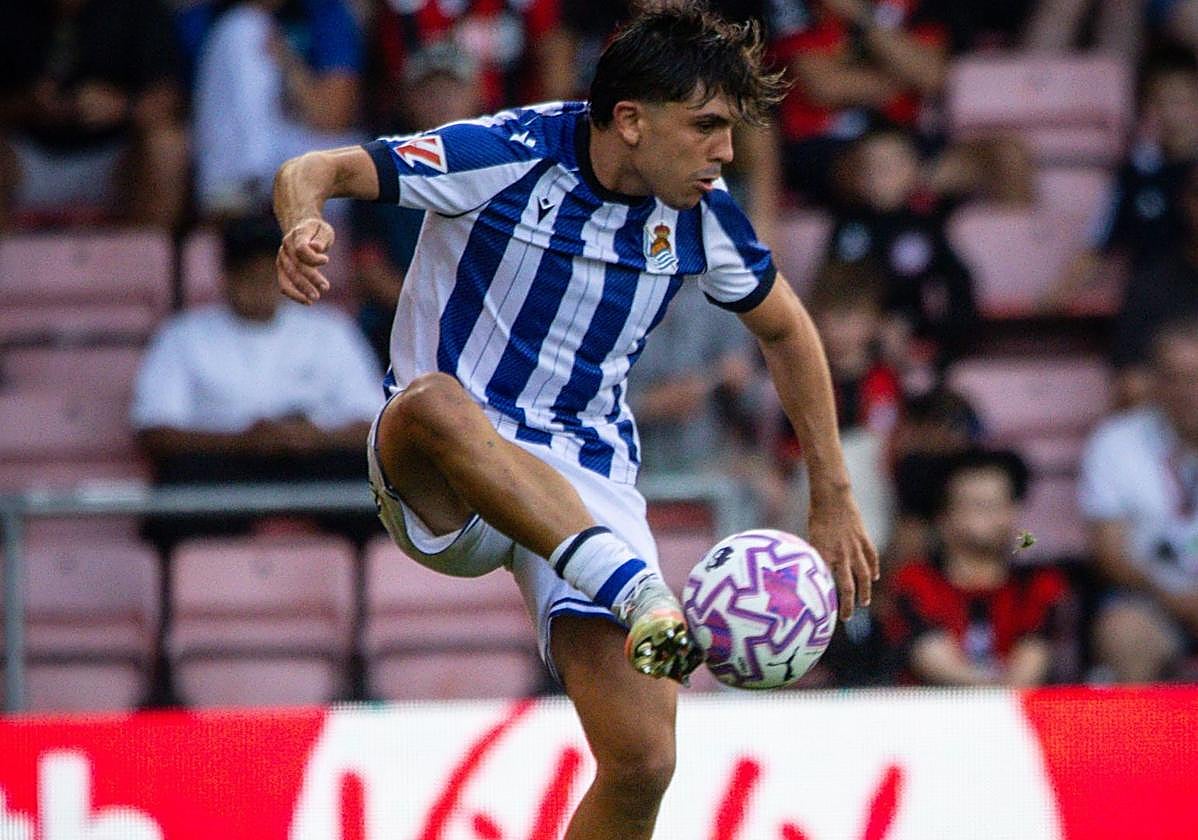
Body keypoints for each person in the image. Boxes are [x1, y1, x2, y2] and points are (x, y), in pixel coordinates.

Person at [272, 5, 877, 837]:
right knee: (437, 403)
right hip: (445, 461)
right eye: (706, 127)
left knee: (644, 763)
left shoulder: (702, 211)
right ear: (629, 120)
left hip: (582, 471)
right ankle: (635, 590)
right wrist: (302, 222)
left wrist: (833, 493)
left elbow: (787, 328)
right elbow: (316, 168)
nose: (726, 152)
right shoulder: (503, 153)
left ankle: (627, 591)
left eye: (731, 132)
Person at [131, 215, 383, 548]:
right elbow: (155, 431)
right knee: (178, 491)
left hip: (315, 457)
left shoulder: (330, 330)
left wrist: (312, 436)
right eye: (250, 278)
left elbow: (374, 422)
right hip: (226, 462)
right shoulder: (184, 335)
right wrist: (243, 441)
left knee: (377, 492)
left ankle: (366, 591)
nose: (261, 289)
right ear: (226, 278)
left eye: (270, 277)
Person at [1079, 314, 1198, 683]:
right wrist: (1175, 598)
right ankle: (1141, 741)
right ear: (1153, 381)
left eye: (1196, 377)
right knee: (1123, 632)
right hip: (1150, 601)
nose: (1187, 390)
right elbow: (1109, 553)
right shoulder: (1115, 441)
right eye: (1174, 377)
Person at [886, 448, 1070, 686]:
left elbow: (1031, 668)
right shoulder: (916, 581)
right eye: (979, 506)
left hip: (1015, 718)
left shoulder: (1039, 584)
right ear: (944, 517)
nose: (994, 516)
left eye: (1001, 504)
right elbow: (933, 662)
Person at [0, 0, 188, 230]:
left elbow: (169, 98)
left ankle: (138, 263)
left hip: (112, 161)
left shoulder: (139, 10)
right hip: (26, 159)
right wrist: (27, 104)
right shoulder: (10, 11)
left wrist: (121, 107)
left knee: (167, 145)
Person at [192, 0, 363, 218]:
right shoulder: (216, 19)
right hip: (231, 171)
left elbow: (331, 117)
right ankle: (247, 194)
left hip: (290, 149)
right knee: (245, 27)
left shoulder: (325, 12)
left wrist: (286, 59)